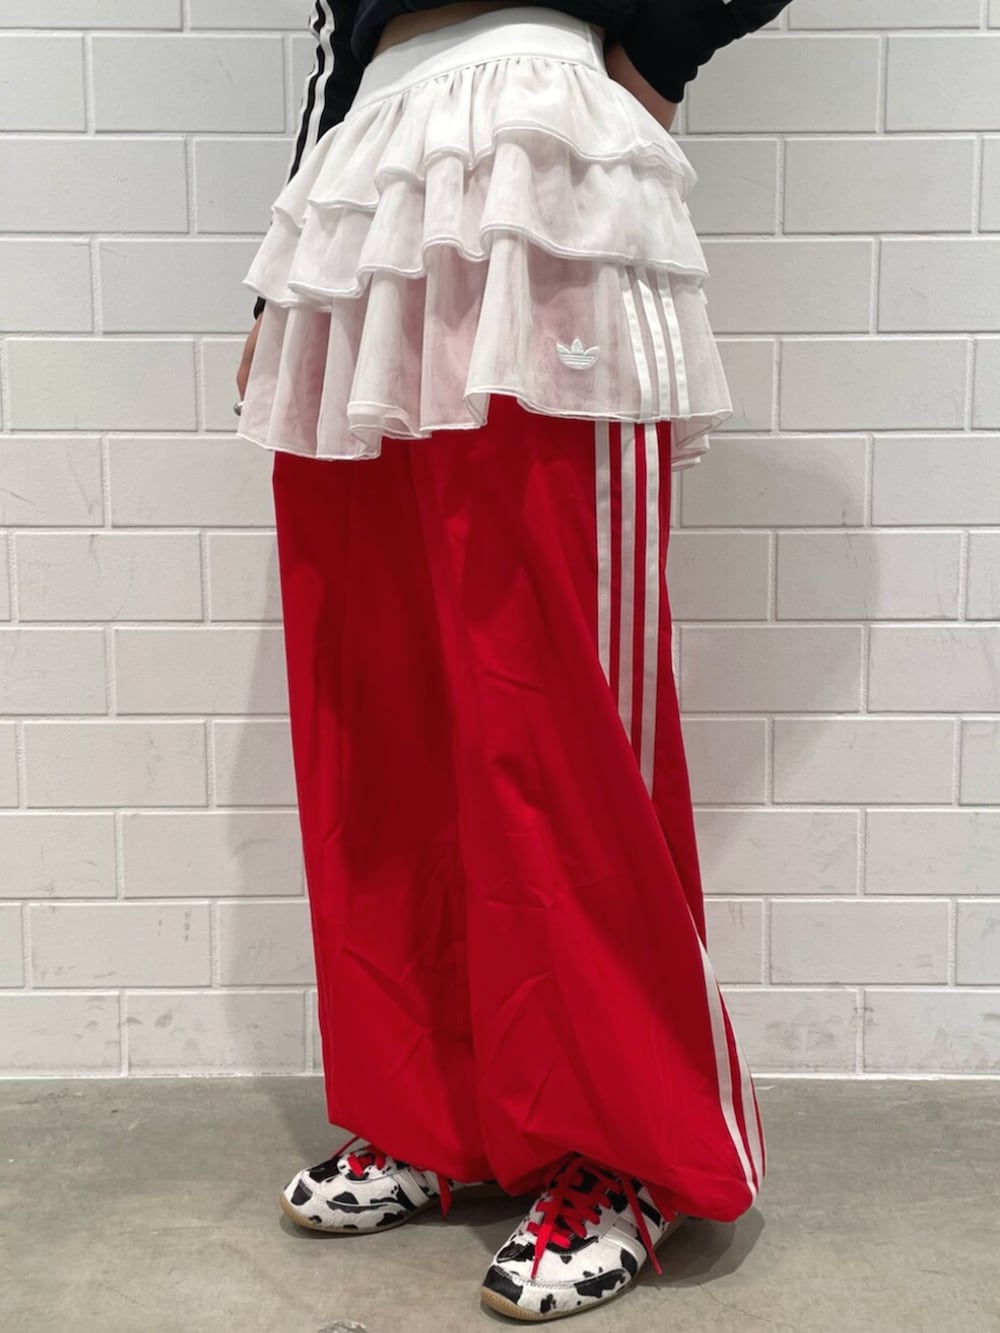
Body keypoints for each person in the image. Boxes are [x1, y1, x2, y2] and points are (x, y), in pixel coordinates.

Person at [235, 1, 790, 1322]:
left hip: (537, 160)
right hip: (364, 190)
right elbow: (335, 35)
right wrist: (275, 280)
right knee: (378, 701)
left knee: (555, 711)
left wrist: (651, 58)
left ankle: (629, 1147)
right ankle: (431, 1111)